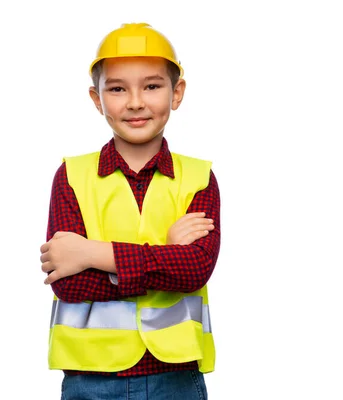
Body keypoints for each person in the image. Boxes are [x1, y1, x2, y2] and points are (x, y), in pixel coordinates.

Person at [39, 22, 221, 400]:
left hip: (176, 378)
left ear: (177, 92)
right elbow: (69, 283)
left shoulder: (199, 177)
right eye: (117, 88)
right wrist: (164, 257)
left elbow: (194, 269)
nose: (135, 101)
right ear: (96, 98)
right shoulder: (72, 176)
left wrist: (91, 253)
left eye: (152, 86)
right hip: (90, 379)